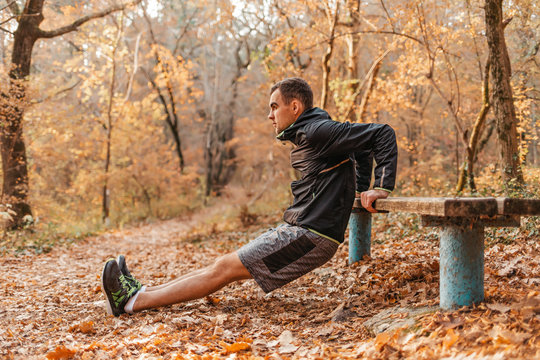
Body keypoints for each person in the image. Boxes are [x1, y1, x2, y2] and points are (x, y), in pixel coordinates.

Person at [101, 77, 398, 317]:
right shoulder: (312, 131)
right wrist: (360, 188)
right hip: (301, 229)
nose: (269, 115)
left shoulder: (318, 131)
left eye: (274, 107)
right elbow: (358, 147)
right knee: (222, 264)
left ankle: (130, 303)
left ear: (295, 106)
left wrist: (381, 185)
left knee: (223, 269)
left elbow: (381, 134)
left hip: (312, 236)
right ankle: (140, 293)